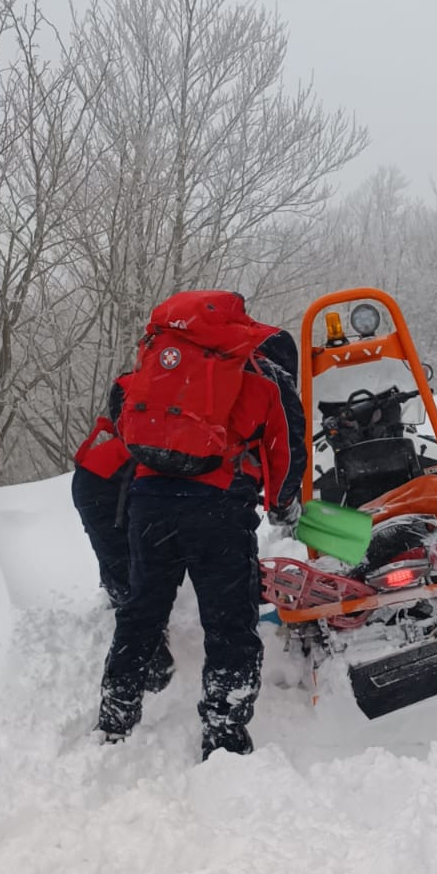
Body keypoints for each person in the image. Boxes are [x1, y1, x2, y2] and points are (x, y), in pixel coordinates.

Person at [97, 290, 306, 759]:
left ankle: (115, 715)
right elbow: (287, 447)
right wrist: (281, 502)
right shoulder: (261, 374)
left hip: (149, 504)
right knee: (229, 622)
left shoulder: (158, 363)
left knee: (141, 611)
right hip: (218, 508)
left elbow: (121, 409)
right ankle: (224, 733)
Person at [72, 377, 174, 694]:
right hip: (104, 482)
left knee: (125, 557)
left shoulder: (143, 383)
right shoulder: (155, 387)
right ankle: (153, 665)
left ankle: (128, 609)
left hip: (104, 473)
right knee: (125, 562)